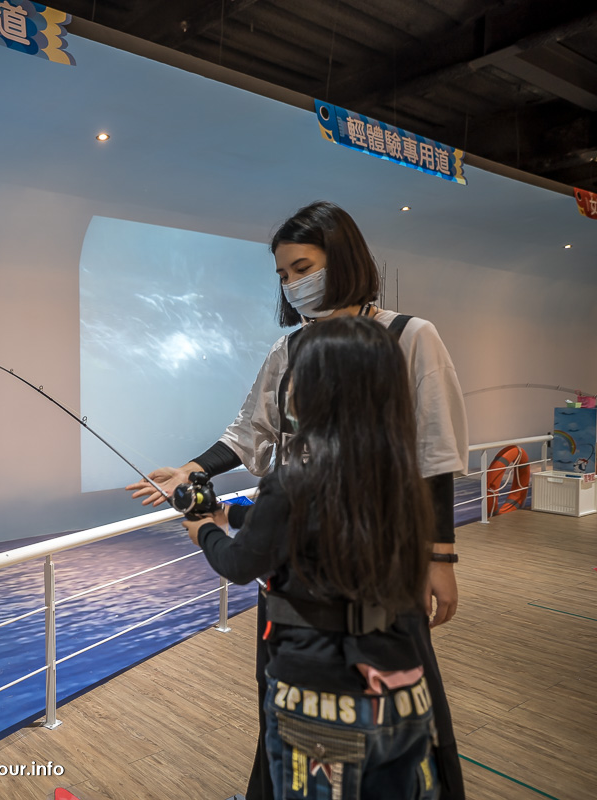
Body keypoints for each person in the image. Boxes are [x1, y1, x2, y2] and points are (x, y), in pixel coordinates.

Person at [126, 201, 467, 800]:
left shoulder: (410, 335)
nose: (292, 283)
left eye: (302, 267)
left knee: (397, 691)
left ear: (344, 260)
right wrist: (191, 470)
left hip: (381, 560)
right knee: (283, 692)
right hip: (294, 566)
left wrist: (440, 556)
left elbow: (434, 452)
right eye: (283, 274)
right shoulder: (285, 352)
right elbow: (248, 433)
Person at [186, 315, 439, 799]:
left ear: (321, 388)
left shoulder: (293, 480)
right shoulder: (399, 479)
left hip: (320, 704)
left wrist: (203, 532)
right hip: (402, 691)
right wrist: (230, 516)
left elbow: (241, 565)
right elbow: (313, 526)